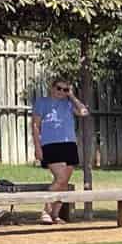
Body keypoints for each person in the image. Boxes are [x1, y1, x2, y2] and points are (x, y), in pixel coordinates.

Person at [31, 77, 90, 224]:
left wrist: (72, 96)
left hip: (69, 144)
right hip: (50, 144)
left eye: (65, 89)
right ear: (51, 87)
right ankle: (45, 211)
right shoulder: (42, 102)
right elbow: (35, 126)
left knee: (64, 182)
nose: (61, 92)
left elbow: (83, 112)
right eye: (59, 88)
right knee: (61, 179)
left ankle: (55, 215)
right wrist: (37, 147)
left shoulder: (69, 103)